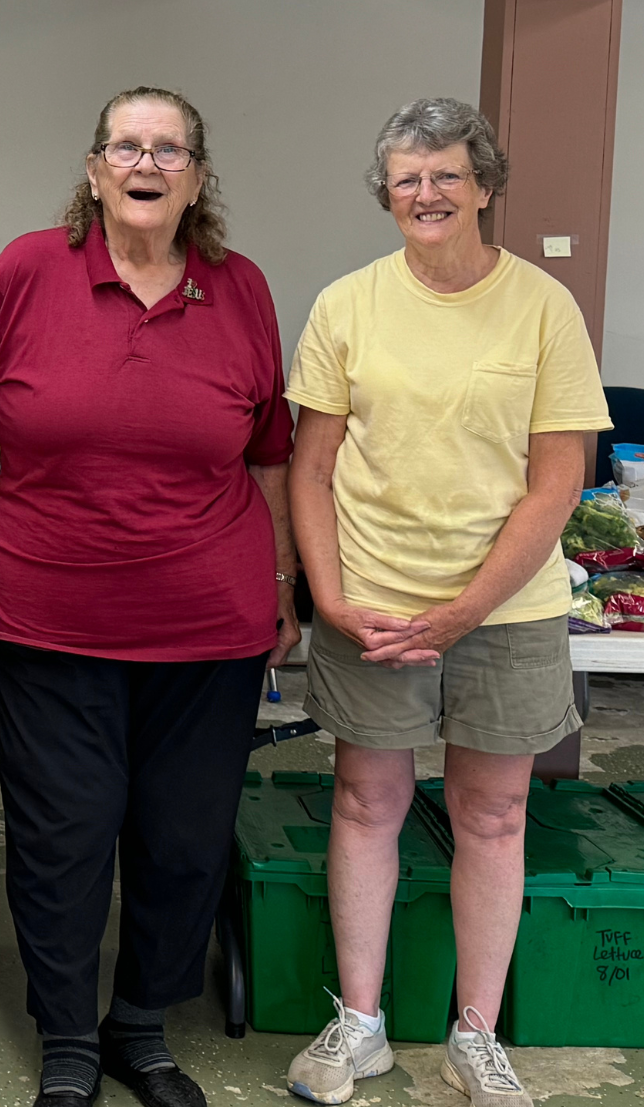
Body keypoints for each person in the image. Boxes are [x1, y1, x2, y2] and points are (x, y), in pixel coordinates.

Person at [0, 86, 298, 1107]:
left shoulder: (241, 288)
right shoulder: (24, 270)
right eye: (125, 146)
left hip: (207, 625)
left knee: (182, 837)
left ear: (196, 176)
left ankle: (139, 1025)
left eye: (167, 148)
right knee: (64, 832)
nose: (146, 163)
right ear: (93, 170)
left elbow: (268, 451)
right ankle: (64, 1036)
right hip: (50, 616)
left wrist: (279, 583)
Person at [283, 99, 608, 1107]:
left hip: (503, 614)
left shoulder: (541, 307)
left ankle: (476, 1034)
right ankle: (361, 1024)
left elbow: (557, 480)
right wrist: (329, 599)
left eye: (442, 175)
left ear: (482, 184)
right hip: (371, 606)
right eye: (404, 178)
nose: (422, 193)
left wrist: (467, 608)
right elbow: (309, 466)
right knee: (364, 801)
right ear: (385, 192)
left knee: (492, 813)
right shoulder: (345, 304)